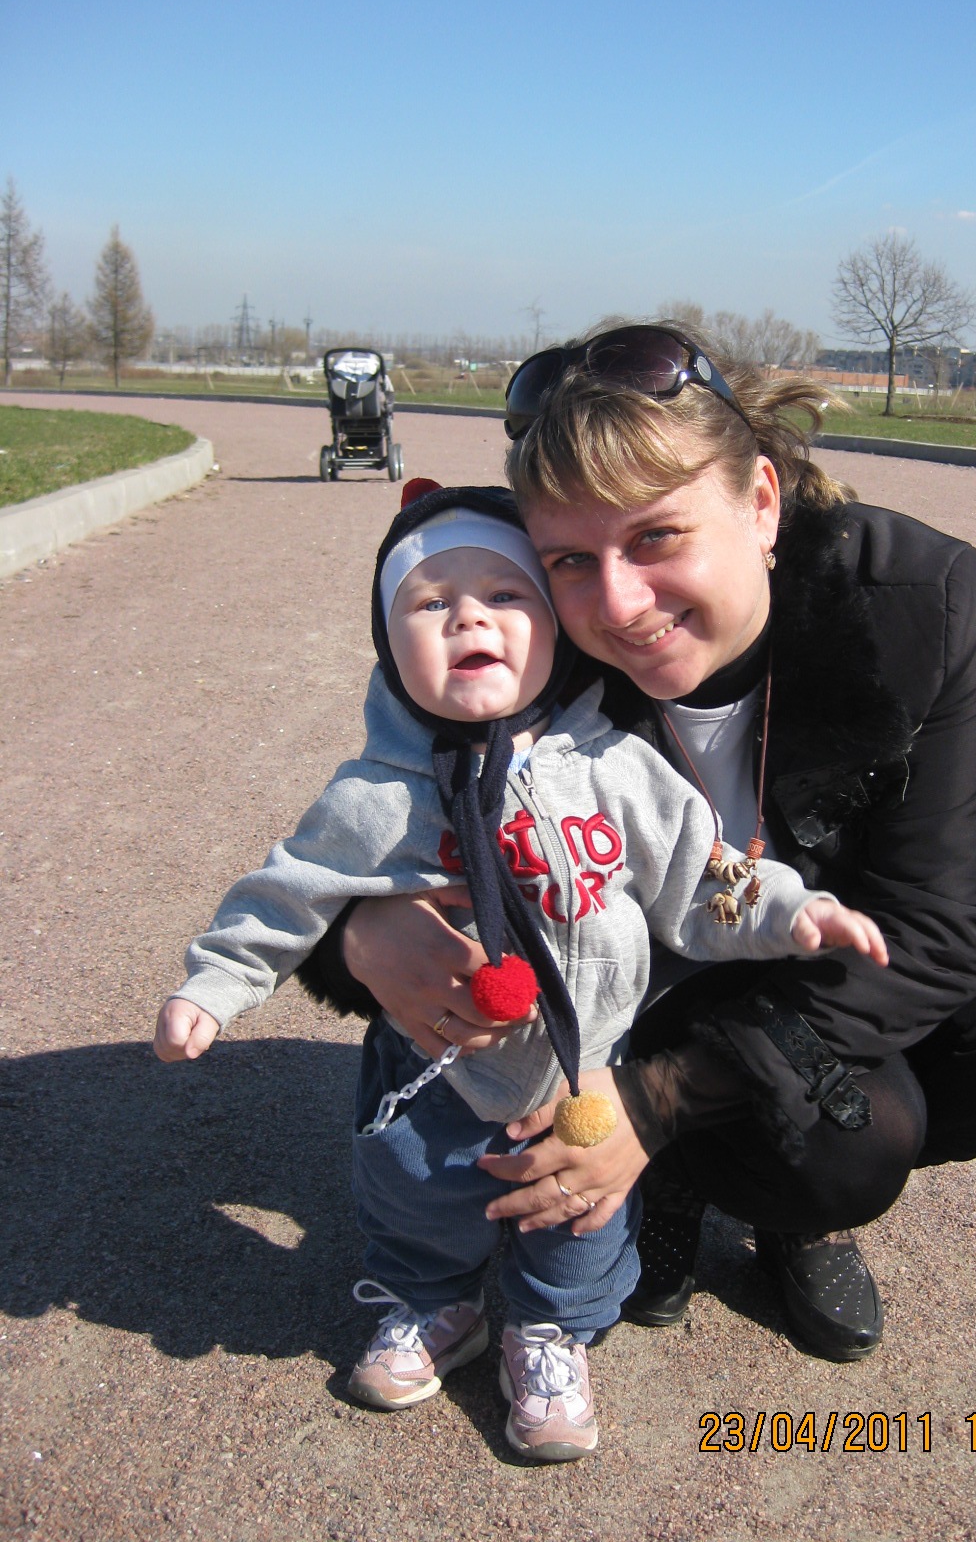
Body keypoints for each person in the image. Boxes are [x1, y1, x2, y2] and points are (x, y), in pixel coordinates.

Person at [300, 322, 976, 1365]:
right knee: (852, 1141)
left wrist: (653, 1103)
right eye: (571, 558)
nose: (619, 605)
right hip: (649, 967)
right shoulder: (522, 622)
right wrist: (358, 931)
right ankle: (688, 1187)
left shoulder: (915, 600)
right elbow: (363, 823)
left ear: (762, 503)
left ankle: (731, 1179)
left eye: (658, 537)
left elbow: (936, 926)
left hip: (835, 919)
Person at [154, 483, 888, 1462]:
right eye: (430, 602)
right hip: (435, 1062)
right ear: (387, 643)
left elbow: (699, 870)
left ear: (554, 632)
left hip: (584, 1065)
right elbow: (290, 893)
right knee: (416, 1188)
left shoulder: (612, 765)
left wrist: (792, 910)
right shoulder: (377, 795)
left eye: (505, 596)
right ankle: (433, 1303)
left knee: (580, 1212)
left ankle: (551, 1332)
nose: (468, 618)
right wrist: (212, 985)